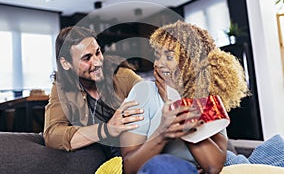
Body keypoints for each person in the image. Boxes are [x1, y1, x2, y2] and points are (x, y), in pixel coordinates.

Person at [120, 20, 249, 174]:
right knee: (163, 165)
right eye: (157, 55)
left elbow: (213, 167)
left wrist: (177, 103)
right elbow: (129, 167)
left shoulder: (208, 100)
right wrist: (163, 134)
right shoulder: (143, 92)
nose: (158, 64)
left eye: (169, 57)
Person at [43, 26, 144, 161]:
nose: (97, 62)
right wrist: (106, 129)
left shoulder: (121, 75)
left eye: (98, 52)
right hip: (96, 157)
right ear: (66, 63)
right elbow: (52, 134)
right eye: (87, 58)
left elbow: (153, 96)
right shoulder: (62, 87)